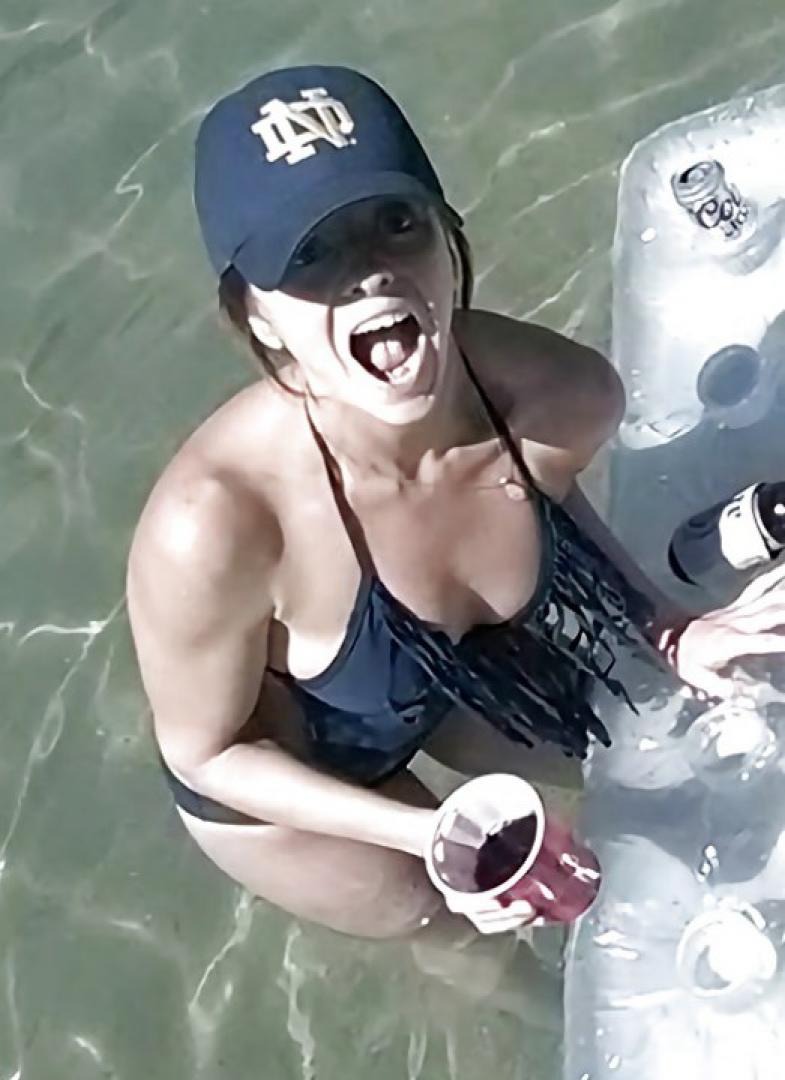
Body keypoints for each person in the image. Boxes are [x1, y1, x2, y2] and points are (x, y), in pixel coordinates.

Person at [126, 65, 785, 950]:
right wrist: (431, 831)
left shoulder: (549, 396)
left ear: (448, 238)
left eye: (396, 223)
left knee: (662, 791)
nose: (370, 273)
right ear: (257, 315)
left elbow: (541, 494)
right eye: (309, 255)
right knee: (464, 938)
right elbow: (205, 751)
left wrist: (668, 625)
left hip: (451, 679)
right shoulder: (215, 523)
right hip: (283, 777)